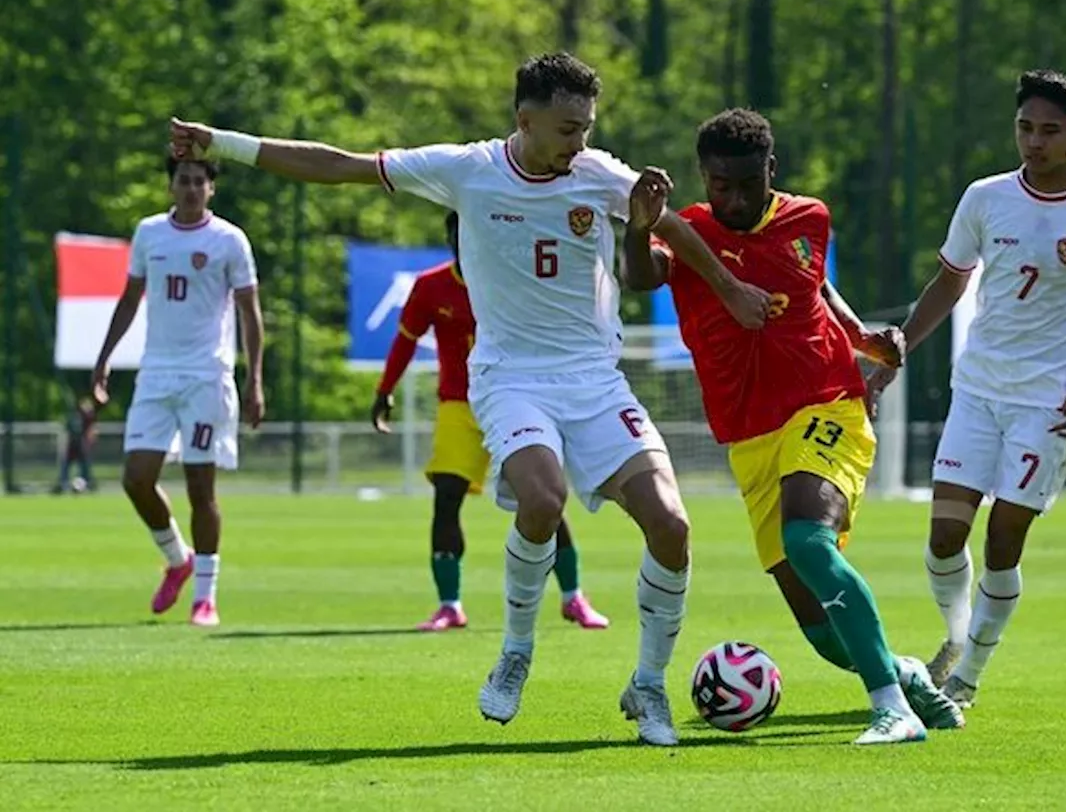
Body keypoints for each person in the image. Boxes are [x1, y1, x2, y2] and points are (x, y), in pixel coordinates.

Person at [170, 51, 770, 746]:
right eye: (569, 129)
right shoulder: (467, 169)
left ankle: (648, 687)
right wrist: (225, 146)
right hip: (510, 377)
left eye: (587, 128)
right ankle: (516, 652)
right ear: (526, 120)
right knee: (543, 502)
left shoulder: (601, 175)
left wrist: (725, 286)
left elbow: (677, 236)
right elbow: (341, 165)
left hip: (595, 380)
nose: (581, 142)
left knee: (672, 525)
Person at [622, 107, 962, 745]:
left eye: (748, 184)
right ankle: (906, 673)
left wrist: (860, 340)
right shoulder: (689, 231)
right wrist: (638, 230)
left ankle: (892, 711)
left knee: (809, 542)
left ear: (770, 170)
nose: (735, 198)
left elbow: (816, 287)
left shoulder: (810, 216)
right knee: (827, 637)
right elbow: (640, 278)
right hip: (749, 439)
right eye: (720, 185)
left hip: (825, 403)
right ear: (704, 178)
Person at [866, 69, 1066, 707]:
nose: (1034, 142)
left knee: (1002, 541)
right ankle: (956, 638)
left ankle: (968, 678)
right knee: (942, 539)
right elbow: (949, 283)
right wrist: (901, 348)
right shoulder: (985, 198)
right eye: (1025, 128)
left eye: (1050, 131)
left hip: (1047, 401)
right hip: (978, 389)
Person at [372, 210, 609, 631]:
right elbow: (405, 340)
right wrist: (384, 389)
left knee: (545, 500)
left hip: (516, 401)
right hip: (459, 407)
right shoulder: (430, 287)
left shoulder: (513, 280)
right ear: (450, 239)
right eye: (457, 235)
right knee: (446, 497)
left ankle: (573, 597)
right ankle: (450, 605)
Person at [91, 156, 265, 628]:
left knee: (199, 486)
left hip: (206, 376)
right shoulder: (149, 233)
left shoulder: (229, 240)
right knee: (135, 477)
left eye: (198, 181)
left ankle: (205, 597)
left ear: (211, 189)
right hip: (157, 374)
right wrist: (104, 358)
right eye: (182, 180)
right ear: (170, 185)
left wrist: (254, 379)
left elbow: (250, 312)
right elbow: (130, 298)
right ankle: (177, 559)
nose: (190, 188)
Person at [53, 396, 99, 494]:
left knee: (85, 469)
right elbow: (67, 432)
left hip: (82, 447)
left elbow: (91, 431)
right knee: (65, 467)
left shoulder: (89, 418)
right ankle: (62, 484)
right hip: (72, 446)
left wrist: (89, 441)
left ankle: (87, 484)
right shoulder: (74, 417)